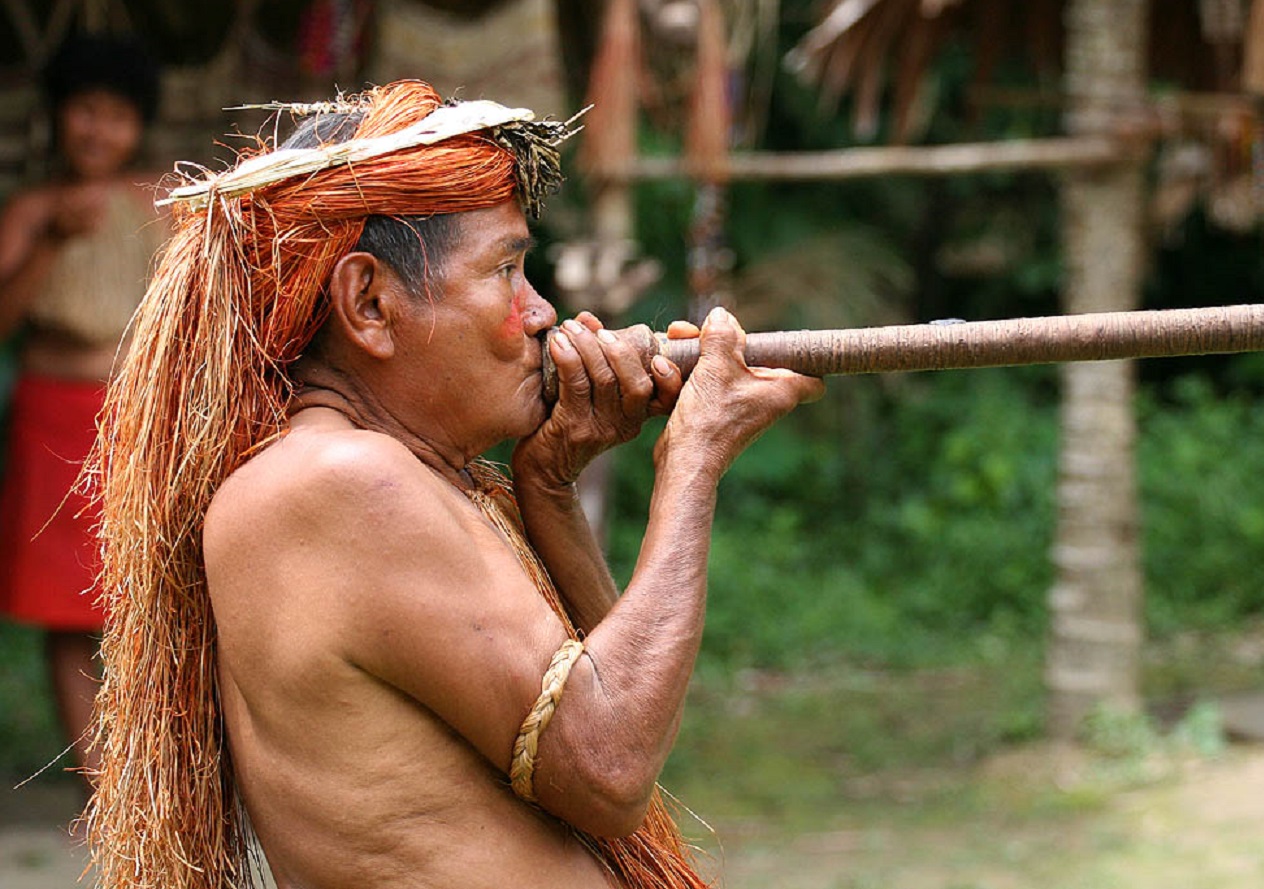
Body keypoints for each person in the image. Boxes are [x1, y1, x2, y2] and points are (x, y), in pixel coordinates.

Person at [86, 80, 822, 889]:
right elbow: (610, 767)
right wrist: (694, 459)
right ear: (370, 303)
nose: (543, 312)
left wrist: (548, 490)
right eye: (506, 271)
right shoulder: (343, 483)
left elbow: (627, 720)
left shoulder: (373, 476)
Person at [0, 32, 163, 787]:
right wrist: (51, 240)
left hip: (133, 417)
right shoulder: (31, 210)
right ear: (59, 116)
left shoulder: (160, 203)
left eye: (117, 116)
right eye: (84, 112)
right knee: (66, 611)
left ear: (141, 125)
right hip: (50, 418)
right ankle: (102, 790)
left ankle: (153, 774)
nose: (99, 130)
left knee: (143, 596)